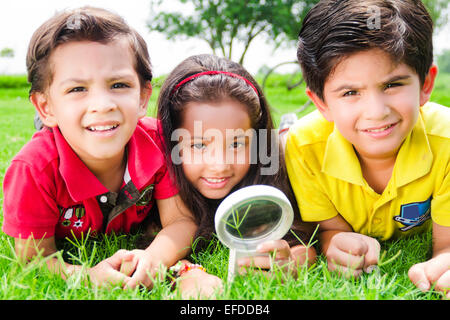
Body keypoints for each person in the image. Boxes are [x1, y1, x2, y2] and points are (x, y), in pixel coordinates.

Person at [1, 6, 196, 289]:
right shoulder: (32, 170)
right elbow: (34, 261)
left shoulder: (159, 142)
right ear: (45, 106)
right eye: (77, 89)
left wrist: (154, 258)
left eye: (118, 84)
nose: (103, 104)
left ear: (143, 97)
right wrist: (87, 275)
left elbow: (181, 222)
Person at [285, 0, 450, 297]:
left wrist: (441, 264)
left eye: (392, 85)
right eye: (350, 92)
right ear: (321, 103)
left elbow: (447, 246)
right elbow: (329, 230)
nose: (376, 112)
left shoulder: (447, 143)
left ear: (425, 84)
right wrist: (335, 242)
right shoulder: (304, 146)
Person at [156, 54, 317, 298]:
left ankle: (287, 125)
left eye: (236, 144)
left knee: (288, 136)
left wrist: (294, 260)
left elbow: (302, 242)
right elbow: (159, 251)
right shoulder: (162, 184)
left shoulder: (272, 174)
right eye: (199, 146)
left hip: (284, 143)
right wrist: (189, 273)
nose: (219, 165)